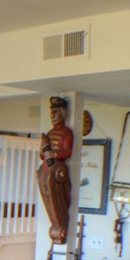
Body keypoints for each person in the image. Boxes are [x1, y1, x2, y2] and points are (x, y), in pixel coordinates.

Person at [36, 96, 74, 245]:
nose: (52, 115)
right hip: (48, 167)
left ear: (63, 113)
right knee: (42, 176)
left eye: (55, 112)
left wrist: (55, 154)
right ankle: (55, 221)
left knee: (59, 194)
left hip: (57, 168)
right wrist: (44, 151)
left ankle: (60, 222)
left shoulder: (67, 132)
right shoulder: (49, 133)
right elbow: (41, 155)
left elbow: (67, 150)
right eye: (51, 112)